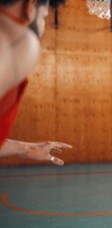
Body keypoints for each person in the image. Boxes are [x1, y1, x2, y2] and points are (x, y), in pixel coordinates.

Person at [0, 0, 71, 165]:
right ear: (30, 5)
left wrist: (25, 149)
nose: (44, 24)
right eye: (45, 16)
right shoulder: (19, 41)